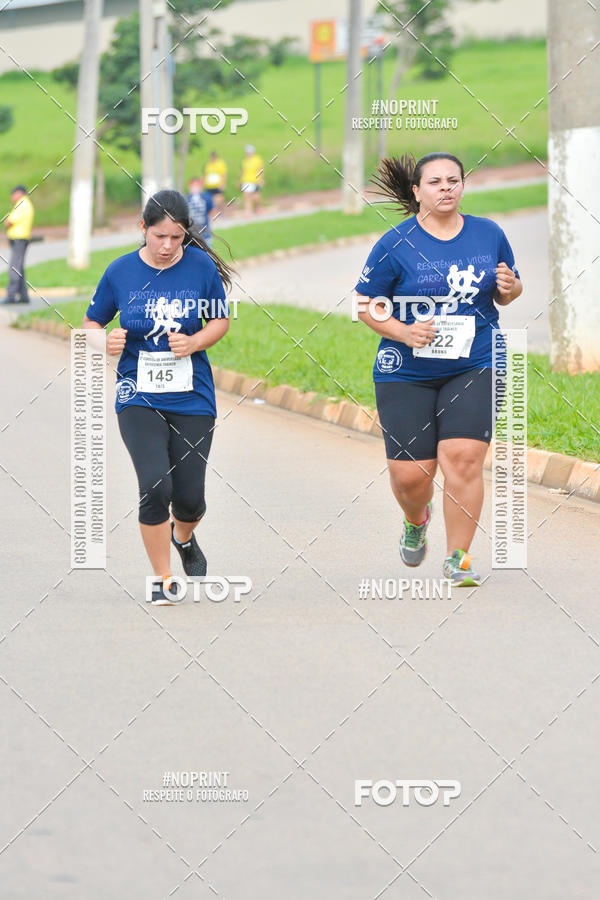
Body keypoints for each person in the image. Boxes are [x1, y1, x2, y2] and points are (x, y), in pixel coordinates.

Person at [355, 152, 522, 587]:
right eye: (435, 182)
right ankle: (416, 519)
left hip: (476, 361)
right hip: (406, 370)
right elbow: (365, 304)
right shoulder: (395, 243)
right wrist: (403, 331)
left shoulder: (488, 234)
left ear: (463, 186)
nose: (445, 187)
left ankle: (458, 559)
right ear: (416, 191)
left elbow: (508, 290)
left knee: (463, 459)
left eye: (453, 180)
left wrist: (511, 287)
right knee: (411, 476)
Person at [82, 189, 234, 605]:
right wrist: (103, 342)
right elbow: (91, 323)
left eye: (176, 237)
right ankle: (163, 579)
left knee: (189, 500)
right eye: (159, 236)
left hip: (192, 395)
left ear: (186, 234)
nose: (167, 246)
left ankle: (182, 536)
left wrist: (195, 341)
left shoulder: (200, 267)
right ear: (143, 229)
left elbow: (219, 321)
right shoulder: (120, 272)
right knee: (154, 486)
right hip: (138, 393)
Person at [2, 185, 34, 304]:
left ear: (19, 193)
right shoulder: (25, 204)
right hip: (21, 239)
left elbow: (9, 221)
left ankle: (11, 295)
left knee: (14, 267)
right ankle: (23, 295)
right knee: (19, 267)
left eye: (13, 194)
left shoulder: (22, 204)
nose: (12, 197)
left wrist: (7, 222)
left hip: (19, 240)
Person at [187, 177, 214, 246]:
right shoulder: (186, 198)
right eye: (194, 186)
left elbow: (211, 212)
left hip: (203, 232)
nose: (195, 188)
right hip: (193, 233)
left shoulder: (206, 197)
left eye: (197, 186)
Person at [239, 144, 264, 217]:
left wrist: (261, 179)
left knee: (256, 198)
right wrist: (240, 181)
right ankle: (248, 212)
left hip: (255, 180)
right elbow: (242, 171)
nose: (248, 154)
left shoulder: (257, 159)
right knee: (246, 196)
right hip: (246, 181)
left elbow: (260, 169)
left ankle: (258, 207)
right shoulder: (244, 161)